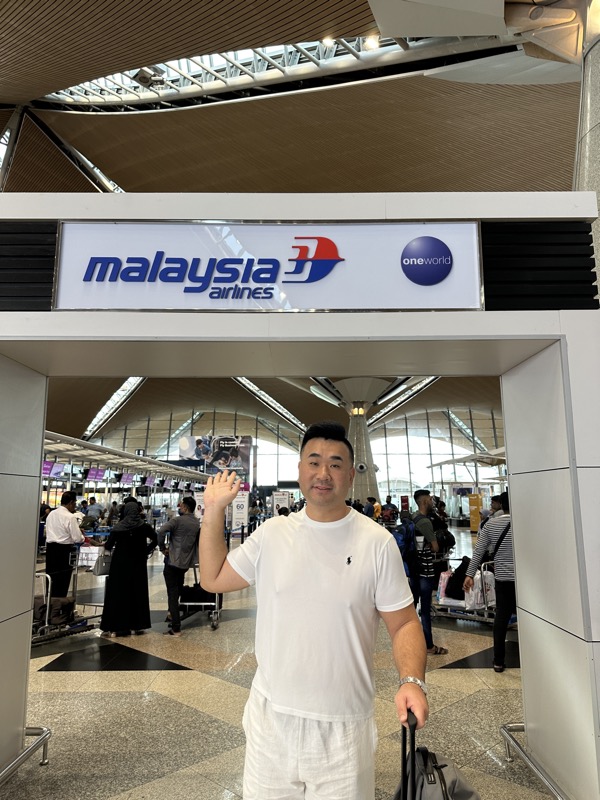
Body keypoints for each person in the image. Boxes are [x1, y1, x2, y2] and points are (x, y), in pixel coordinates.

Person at [199, 421, 428, 800]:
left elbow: (403, 622)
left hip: (344, 729)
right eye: (315, 461)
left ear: (351, 476)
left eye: (336, 464)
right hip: (271, 721)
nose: (324, 473)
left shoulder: (376, 542)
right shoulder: (272, 534)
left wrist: (412, 680)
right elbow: (214, 578)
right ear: (300, 470)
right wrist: (213, 511)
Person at [463, 491, 514, 673]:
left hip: (503, 579)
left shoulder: (491, 524)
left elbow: (478, 552)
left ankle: (498, 661)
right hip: (525, 581)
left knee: (501, 619)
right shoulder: (526, 521)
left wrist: (469, 574)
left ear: (501, 504)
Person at [99, 498, 157, 637]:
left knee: (118, 593)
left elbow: (108, 545)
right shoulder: (144, 526)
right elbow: (156, 539)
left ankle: (116, 626)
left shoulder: (118, 527)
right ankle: (137, 625)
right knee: (137, 592)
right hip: (138, 564)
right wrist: (146, 550)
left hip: (120, 565)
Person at [158, 496, 201, 637]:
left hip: (172, 562)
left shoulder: (177, 520)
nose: (180, 507)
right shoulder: (196, 523)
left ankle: (176, 628)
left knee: (172, 593)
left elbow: (161, 531)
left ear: (185, 507)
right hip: (185, 563)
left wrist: (162, 548)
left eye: (181, 505)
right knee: (177, 588)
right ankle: (172, 614)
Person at [412, 489, 449, 656]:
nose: (431, 501)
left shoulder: (412, 517)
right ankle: (429, 645)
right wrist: (433, 543)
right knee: (425, 609)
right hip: (425, 570)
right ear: (424, 501)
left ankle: (410, 641)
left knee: (412, 606)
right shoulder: (425, 522)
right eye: (429, 498)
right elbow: (435, 547)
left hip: (413, 568)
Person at [44, 491, 88, 597]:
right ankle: (60, 608)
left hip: (50, 550)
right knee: (62, 581)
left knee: (51, 579)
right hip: (64, 552)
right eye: (75, 503)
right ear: (71, 502)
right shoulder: (70, 517)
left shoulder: (51, 514)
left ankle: (50, 605)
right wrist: (81, 535)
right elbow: (77, 538)